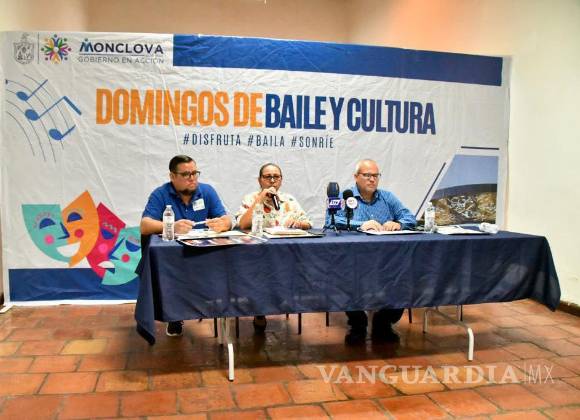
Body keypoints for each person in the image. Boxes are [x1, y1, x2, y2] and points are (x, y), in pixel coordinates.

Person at [141, 155, 232, 337]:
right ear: (172, 176)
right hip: (173, 258)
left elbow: (226, 219)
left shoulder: (207, 191)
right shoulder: (161, 194)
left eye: (195, 173)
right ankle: (174, 315)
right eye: (186, 174)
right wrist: (171, 226)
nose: (192, 178)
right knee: (170, 271)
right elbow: (145, 225)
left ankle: (222, 311)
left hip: (203, 255)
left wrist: (224, 224)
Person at [329, 159, 416, 345]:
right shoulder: (345, 196)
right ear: (356, 177)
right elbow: (331, 222)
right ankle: (357, 324)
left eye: (375, 175)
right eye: (367, 175)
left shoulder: (387, 197)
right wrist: (361, 225)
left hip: (386, 259)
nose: (372, 179)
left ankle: (383, 322)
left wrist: (399, 224)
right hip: (354, 259)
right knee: (346, 277)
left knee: (404, 275)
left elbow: (409, 217)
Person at [236, 163, 312, 332]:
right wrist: (260, 199)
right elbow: (242, 224)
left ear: (281, 180)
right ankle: (259, 311)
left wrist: (299, 223)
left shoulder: (289, 200)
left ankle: (283, 301)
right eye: (267, 177)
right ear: (259, 180)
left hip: (286, 255)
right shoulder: (250, 198)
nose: (272, 181)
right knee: (258, 273)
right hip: (259, 256)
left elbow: (308, 223)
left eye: (276, 177)